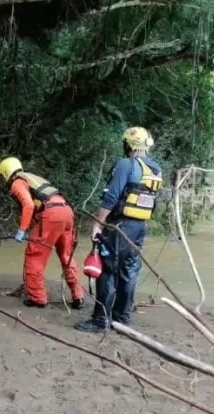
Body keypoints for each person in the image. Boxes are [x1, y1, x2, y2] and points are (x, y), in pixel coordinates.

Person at [75, 126, 163, 333]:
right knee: (129, 271)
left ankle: (101, 320)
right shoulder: (156, 168)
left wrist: (98, 224)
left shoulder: (126, 164)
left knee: (107, 270)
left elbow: (111, 197)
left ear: (128, 144)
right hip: (139, 227)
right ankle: (122, 318)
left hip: (119, 226)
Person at [0, 157, 85, 309]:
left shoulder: (17, 183)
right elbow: (39, 203)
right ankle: (78, 296)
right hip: (66, 211)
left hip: (51, 215)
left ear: (6, 173)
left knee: (35, 256)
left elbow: (29, 205)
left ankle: (38, 298)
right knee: (66, 256)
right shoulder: (33, 178)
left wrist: (22, 229)